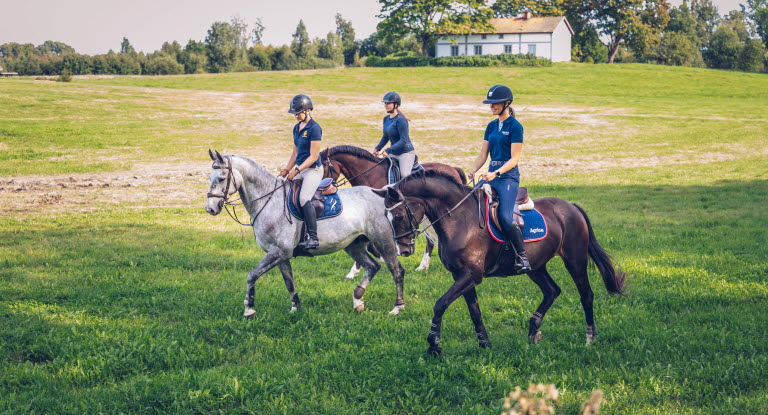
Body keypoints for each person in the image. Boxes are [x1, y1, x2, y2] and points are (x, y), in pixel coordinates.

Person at [469, 84, 531, 272]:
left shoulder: (515, 126)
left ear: (506, 103)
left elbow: (515, 158)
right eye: (490, 104)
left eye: (495, 103)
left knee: (504, 216)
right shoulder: (491, 126)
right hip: (491, 175)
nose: (492, 106)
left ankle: (522, 257)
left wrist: (495, 173)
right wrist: (472, 170)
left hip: (508, 178)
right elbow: (483, 155)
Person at [279, 94, 322, 250]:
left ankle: (313, 238)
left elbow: (314, 156)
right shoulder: (296, 128)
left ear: (308, 110)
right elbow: (295, 153)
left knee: (304, 198)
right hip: (299, 168)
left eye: (298, 112)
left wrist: (296, 169)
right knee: (283, 191)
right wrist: (285, 170)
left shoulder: (315, 128)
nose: (296, 115)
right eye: (294, 113)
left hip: (313, 170)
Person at [373, 92, 416, 178]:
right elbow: (385, 137)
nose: (386, 105)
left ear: (396, 105)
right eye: (385, 103)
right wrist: (378, 148)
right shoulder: (386, 119)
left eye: (388, 103)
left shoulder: (401, 120)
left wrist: (388, 150)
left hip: (405, 153)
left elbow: (403, 140)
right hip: (394, 153)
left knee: (404, 175)